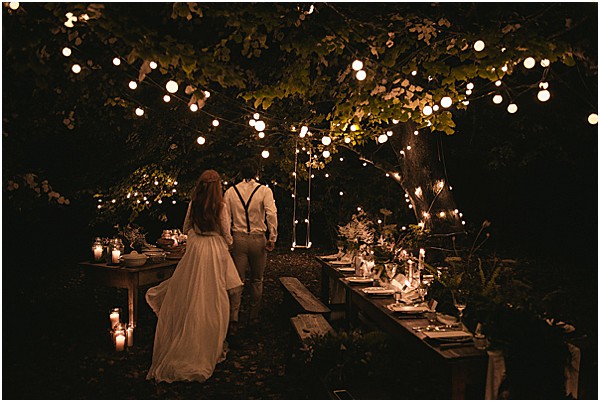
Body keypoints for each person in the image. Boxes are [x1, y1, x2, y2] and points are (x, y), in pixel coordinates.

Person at [145, 169, 243, 383]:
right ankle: (209, 342)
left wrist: (198, 237)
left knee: (192, 292)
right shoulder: (221, 206)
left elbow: (186, 227)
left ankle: (189, 336)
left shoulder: (194, 204)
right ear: (218, 187)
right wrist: (228, 244)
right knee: (214, 295)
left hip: (197, 249)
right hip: (214, 250)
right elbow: (227, 235)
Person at [224, 159, 278, 339]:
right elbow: (271, 213)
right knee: (257, 280)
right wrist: (272, 237)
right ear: (256, 173)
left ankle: (234, 319)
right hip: (258, 240)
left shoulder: (230, 192)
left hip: (238, 238)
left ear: (241, 173)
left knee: (237, 281)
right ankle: (253, 318)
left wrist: (228, 239)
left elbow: (226, 217)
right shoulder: (264, 191)